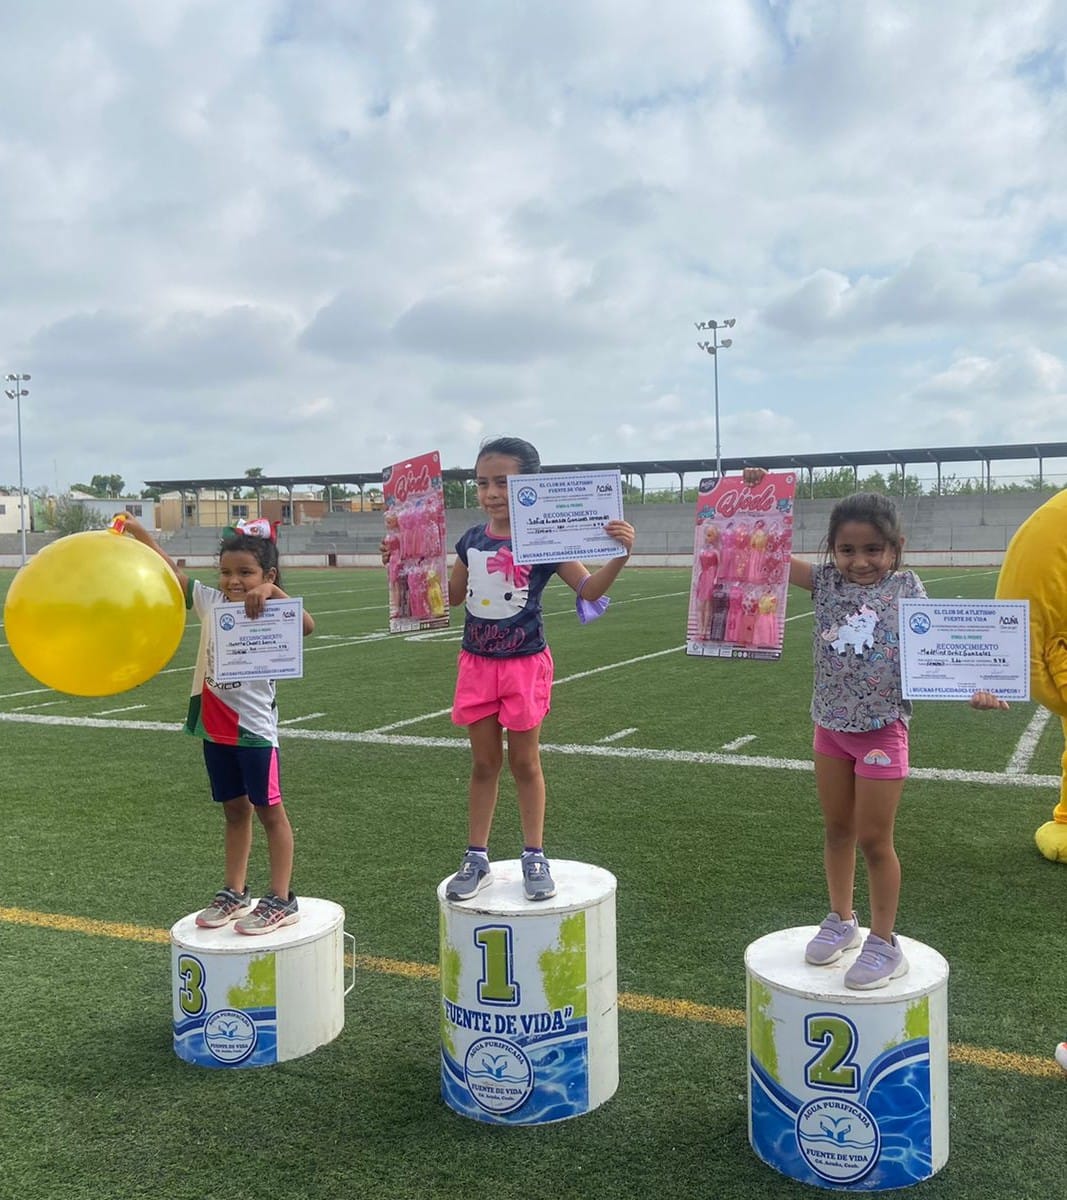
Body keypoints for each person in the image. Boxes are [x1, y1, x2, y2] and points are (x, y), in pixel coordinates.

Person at [742, 472, 1006, 988]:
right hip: (829, 727)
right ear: (831, 549)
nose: (859, 561)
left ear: (896, 547)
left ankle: (885, 943)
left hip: (883, 731)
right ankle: (842, 919)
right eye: (847, 550)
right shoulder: (825, 582)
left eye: (873, 550)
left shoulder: (907, 587)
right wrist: (754, 494)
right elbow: (767, 552)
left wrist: (977, 688)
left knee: (874, 840)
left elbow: (942, 650)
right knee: (837, 831)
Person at [384, 436, 635, 903]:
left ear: (529, 485)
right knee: (484, 764)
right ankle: (476, 856)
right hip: (476, 665)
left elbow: (587, 590)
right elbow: (450, 598)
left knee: (524, 763)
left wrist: (619, 555)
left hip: (524, 665)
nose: (492, 493)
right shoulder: (471, 540)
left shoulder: (545, 537)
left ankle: (534, 854)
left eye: (502, 482)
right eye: (483, 483)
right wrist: (404, 563)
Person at [122, 516, 315, 934]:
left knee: (270, 812)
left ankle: (282, 898)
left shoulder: (273, 607)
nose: (234, 581)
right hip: (214, 728)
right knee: (233, 810)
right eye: (226, 572)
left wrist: (272, 593)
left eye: (246, 572)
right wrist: (139, 533)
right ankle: (235, 891)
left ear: (268, 575)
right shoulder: (211, 602)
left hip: (255, 732)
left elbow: (307, 626)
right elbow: (171, 574)